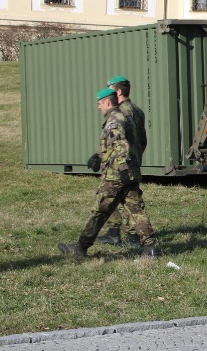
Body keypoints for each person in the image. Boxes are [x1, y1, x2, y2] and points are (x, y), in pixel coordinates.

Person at [58, 87, 160, 258]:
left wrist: (122, 169)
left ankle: (80, 248)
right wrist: (99, 157)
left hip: (116, 176)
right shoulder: (125, 117)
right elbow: (127, 144)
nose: (98, 107)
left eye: (99, 103)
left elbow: (121, 146)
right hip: (131, 173)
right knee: (136, 210)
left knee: (100, 210)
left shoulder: (114, 121)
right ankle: (150, 248)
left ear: (107, 102)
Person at [97, 75, 147, 247]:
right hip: (132, 160)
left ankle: (128, 234)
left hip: (121, 163)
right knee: (128, 198)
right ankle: (125, 233)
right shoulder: (138, 110)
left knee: (117, 197)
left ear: (118, 92)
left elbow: (120, 140)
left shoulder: (121, 112)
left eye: (110, 90)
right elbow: (143, 140)